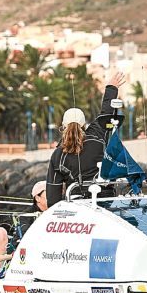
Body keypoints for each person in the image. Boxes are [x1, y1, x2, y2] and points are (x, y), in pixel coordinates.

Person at [46, 72, 127, 207]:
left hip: (78, 206)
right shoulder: (96, 134)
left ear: (63, 127)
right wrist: (111, 88)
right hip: (106, 202)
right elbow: (106, 112)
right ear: (84, 125)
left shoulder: (58, 155)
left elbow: (53, 194)